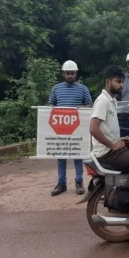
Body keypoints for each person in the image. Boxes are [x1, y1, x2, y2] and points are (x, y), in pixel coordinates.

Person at [89, 65, 129, 222]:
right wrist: (112, 145)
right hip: (107, 153)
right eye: (118, 82)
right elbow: (93, 128)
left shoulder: (111, 100)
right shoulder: (103, 101)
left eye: (122, 82)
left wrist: (120, 140)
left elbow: (106, 129)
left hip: (112, 148)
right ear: (107, 81)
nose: (121, 85)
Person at [49, 60, 93, 196]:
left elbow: (90, 105)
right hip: (60, 127)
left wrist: (82, 109)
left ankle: (79, 182)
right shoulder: (56, 89)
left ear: (76, 74)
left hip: (77, 127)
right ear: (63, 74)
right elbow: (50, 106)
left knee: (77, 155)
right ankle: (61, 183)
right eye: (67, 73)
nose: (70, 76)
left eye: (72, 73)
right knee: (61, 155)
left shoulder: (83, 89)